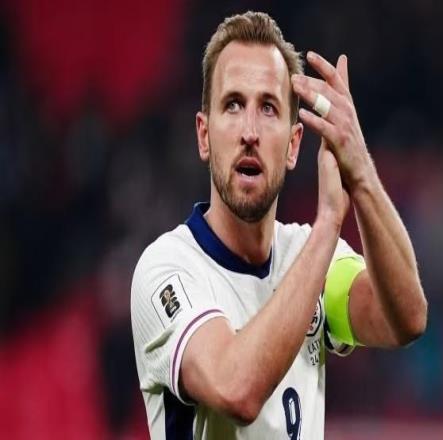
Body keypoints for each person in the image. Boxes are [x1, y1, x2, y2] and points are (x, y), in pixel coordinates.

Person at [131, 11, 427, 439]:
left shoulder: (310, 257)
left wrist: (361, 171)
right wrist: (329, 223)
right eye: (233, 105)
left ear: (293, 145)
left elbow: (406, 319)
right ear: (204, 135)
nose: (249, 131)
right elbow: (236, 390)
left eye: (268, 108)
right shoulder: (167, 269)